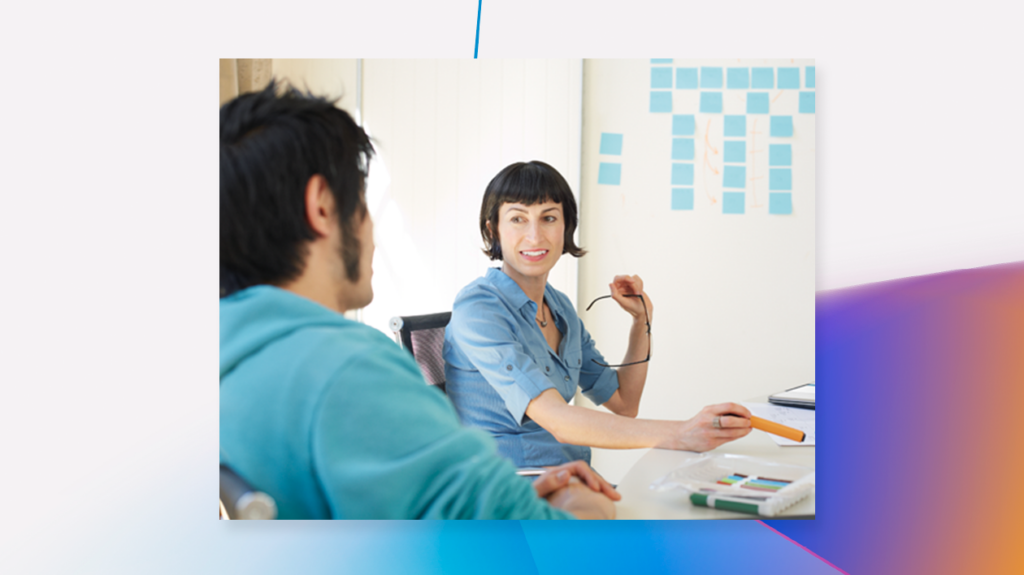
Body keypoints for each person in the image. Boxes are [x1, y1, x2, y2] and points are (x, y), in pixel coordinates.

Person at [219, 81, 619, 519]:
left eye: (549, 219)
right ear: (322, 207)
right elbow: (552, 545)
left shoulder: (229, 357)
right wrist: (583, 501)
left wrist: (508, 493)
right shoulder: (350, 370)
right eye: (364, 203)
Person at [443, 161, 753, 469]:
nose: (535, 236)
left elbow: (624, 402)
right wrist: (682, 433)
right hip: (511, 490)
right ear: (492, 229)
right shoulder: (478, 309)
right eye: (518, 219)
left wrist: (641, 320)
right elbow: (559, 421)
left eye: (548, 218)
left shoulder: (559, 307)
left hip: (570, 479)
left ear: (566, 227)